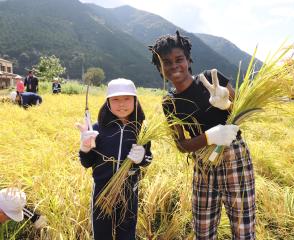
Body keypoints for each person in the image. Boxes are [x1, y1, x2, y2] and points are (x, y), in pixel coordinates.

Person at [149, 31, 256, 239]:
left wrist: (228, 103)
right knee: (203, 229)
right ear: (159, 68)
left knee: (243, 228)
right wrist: (210, 137)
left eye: (179, 59)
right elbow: (181, 144)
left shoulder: (210, 79)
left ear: (188, 61)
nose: (174, 66)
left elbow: (247, 109)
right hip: (203, 165)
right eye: (166, 62)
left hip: (235, 159)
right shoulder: (169, 102)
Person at [77, 78, 153, 240]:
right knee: (102, 235)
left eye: (127, 99)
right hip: (102, 192)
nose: (122, 104)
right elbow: (86, 163)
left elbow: (148, 159)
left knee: (126, 235)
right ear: (108, 102)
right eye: (115, 99)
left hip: (129, 193)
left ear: (135, 100)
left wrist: (141, 159)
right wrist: (85, 148)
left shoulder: (141, 130)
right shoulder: (97, 128)